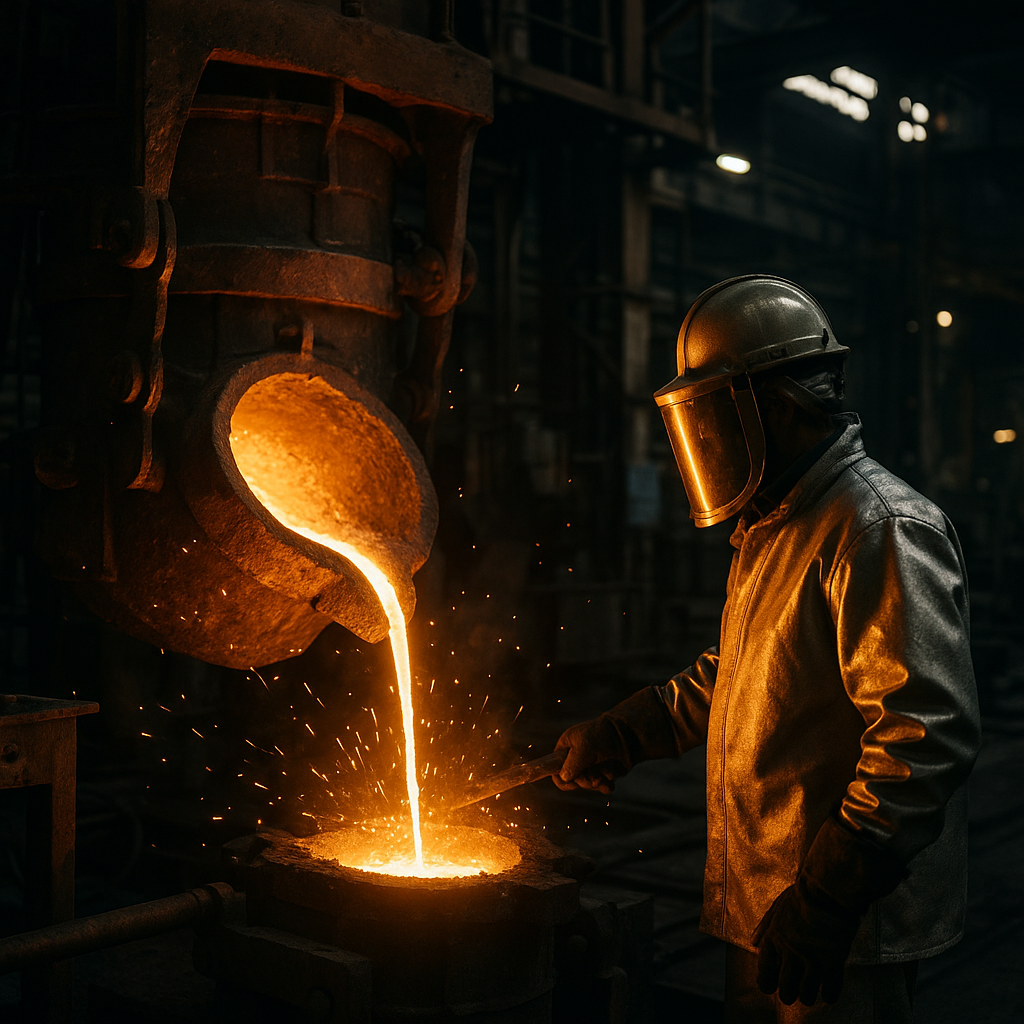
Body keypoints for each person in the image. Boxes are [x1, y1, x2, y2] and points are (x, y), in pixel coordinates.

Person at [554, 276, 981, 1023]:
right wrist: (632, 729)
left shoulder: (878, 526)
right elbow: (748, 674)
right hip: (766, 901)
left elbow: (926, 737)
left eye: (717, 416)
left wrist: (831, 893)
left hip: (841, 925)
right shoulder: (778, 524)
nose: (709, 444)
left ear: (776, 406)